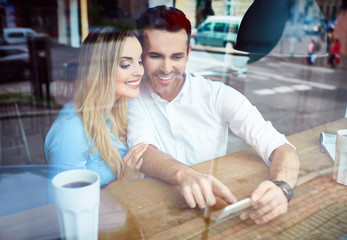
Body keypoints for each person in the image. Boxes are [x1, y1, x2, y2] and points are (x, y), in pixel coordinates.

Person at [127, 5, 299, 225]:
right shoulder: (133, 95)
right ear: (141, 55)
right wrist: (184, 175)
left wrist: (282, 188)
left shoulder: (218, 95)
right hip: (155, 213)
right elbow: (143, 153)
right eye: (156, 56)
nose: (167, 68)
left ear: (189, 54)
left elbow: (281, 147)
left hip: (216, 211)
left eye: (177, 56)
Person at [45, 27, 148, 188]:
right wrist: (125, 181)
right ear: (100, 70)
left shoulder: (124, 108)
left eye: (140, 61)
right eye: (126, 64)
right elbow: (65, 203)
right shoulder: (71, 128)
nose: (140, 71)